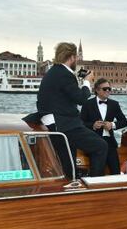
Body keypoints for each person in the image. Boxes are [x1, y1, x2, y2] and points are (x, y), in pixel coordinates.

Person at [23, 42, 108, 179]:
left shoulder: (53, 72)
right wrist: (87, 81)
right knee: (101, 146)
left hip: (55, 122)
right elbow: (81, 99)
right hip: (64, 124)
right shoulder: (65, 74)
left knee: (68, 162)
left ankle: (71, 184)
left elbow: (67, 96)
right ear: (72, 57)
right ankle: (94, 183)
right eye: (76, 58)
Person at [80, 78, 127, 175]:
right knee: (97, 172)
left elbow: (124, 121)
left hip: (110, 143)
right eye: (105, 89)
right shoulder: (87, 104)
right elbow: (81, 123)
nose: (108, 91)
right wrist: (92, 125)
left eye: (109, 89)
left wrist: (112, 125)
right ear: (97, 90)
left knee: (116, 172)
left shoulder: (114, 104)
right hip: (94, 142)